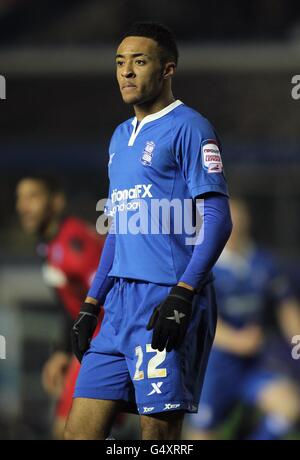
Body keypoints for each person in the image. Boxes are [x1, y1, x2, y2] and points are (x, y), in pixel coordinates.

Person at [65, 21, 232, 441]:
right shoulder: (119, 137)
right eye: (120, 63)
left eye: (139, 62)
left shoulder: (191, 127)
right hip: (118, 307)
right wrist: (91, 303)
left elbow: (218, 220)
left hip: (165, 300)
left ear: (167, 69)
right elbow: (118, 228)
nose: (126, 72)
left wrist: (184, 292)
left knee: (157, 437)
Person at [186, 199, 300, 440]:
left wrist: (298, 342)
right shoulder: (202, 267)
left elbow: (286, 307)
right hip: (213, 365)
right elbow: (197, 318)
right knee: (202, 434)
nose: (233, 226)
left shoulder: (263, 262)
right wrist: (236, 340)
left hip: (253, 362)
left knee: (289, 406)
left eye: (238, 219)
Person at [16, 175, 104, 439]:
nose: (23, 206)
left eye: (33, 197)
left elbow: (107, 298)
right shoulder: (49, 243)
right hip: (88, 345)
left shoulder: (74, 243)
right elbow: (75, 306)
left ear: (56, 202)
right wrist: (64, 350)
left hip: (103, 344)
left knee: (70, 430)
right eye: (20, 198)